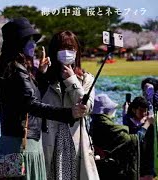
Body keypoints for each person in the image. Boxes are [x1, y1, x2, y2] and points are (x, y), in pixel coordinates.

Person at [0, 17, 88, 180]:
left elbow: (26, 98)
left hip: (8, 143)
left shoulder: (9, 68)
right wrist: (68, 114)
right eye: (30, 41)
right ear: (18, 43)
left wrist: (40, 76)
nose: (34, 45)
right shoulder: (17, 72)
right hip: (23, 145)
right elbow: (31, 105)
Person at [36, 31, 99, 180]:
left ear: (77, 51)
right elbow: (33, 104)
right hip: (48, 139)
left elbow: (86, 107)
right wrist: (40, 75)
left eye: (70, 48)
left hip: (75, 139)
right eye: (61, 48)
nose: (66, 53)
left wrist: (71, 80)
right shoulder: (46, 78)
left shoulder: (85, 78)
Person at [90, 94, 142, 180]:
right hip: (114, 173)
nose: (114, 109)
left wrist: (125, 115)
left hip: (101, 172)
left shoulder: (95, 124)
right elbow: (133, 139)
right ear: (106, 110)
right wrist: (146, 125)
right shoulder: (109, 128)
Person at [123, 96, 156, 180]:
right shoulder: (129, 122)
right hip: (135, 164)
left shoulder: (149, 121)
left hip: (148, 166)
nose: (144, 113)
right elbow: (136, 139)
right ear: (134, 110)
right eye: (141, 110)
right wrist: (147, 123)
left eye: (146, 110)